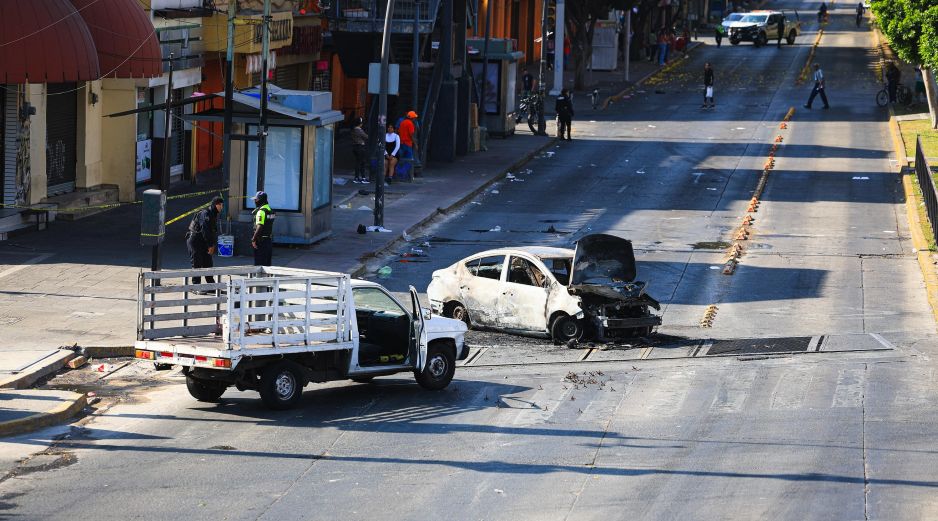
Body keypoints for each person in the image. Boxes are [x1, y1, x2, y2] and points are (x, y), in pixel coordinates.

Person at [186, 196, 223, 287]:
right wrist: (210, 245)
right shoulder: (205, 213)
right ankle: (196, 286)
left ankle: (211, 286)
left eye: (222, 205)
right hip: (195, 240)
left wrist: (212, 244)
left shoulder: (213, 214)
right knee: (197, 263)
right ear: (215, 205)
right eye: (220, 205)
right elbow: (205, 230)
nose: (221, 207)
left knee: (208, 263)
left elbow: (212, 232)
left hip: (203, 241)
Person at [251, 191, 275, 267]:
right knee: (267, 265)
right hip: (268, 240)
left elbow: (259, 226)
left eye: (256, 199)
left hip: (261, 242)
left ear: (261, 200)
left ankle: (259, 278)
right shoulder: (270, 210)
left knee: (259, 264)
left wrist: (253, 239)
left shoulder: (261, 211)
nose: (255, 201)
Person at [397, 111, 418, 180]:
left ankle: (400, 173)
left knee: (401, 159)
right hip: (408, 144)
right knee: (409, 159)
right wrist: (415, 144)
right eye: (414, 117)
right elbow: (411, 135)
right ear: (412, 118)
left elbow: (398, 131)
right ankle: (406, 174)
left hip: (401, 143)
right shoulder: (410, 124)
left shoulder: (402, 122)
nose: (415, 119)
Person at [351, 116, 368, 184]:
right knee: (362, 163)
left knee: (357, 163)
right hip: (360, 147)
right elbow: (366, 136)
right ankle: (363, 178)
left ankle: (356, 177)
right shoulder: (359, 130)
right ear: (360, 123)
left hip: (355, 147)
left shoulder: (353, 129)